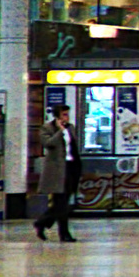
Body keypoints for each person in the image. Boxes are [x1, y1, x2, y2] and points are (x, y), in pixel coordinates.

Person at [34, 104, 80, 243]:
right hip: (57, 170)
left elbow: (73, 146)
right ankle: (64, 233)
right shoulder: (47, 128)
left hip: (71, 166)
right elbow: (48, 143)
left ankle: (42, 222)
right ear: (57, 116)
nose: (67, 117)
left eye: (67, 114)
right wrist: (59, 131)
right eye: (64, 114)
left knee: (63, 202)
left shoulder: (71, 127)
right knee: (61, 202)